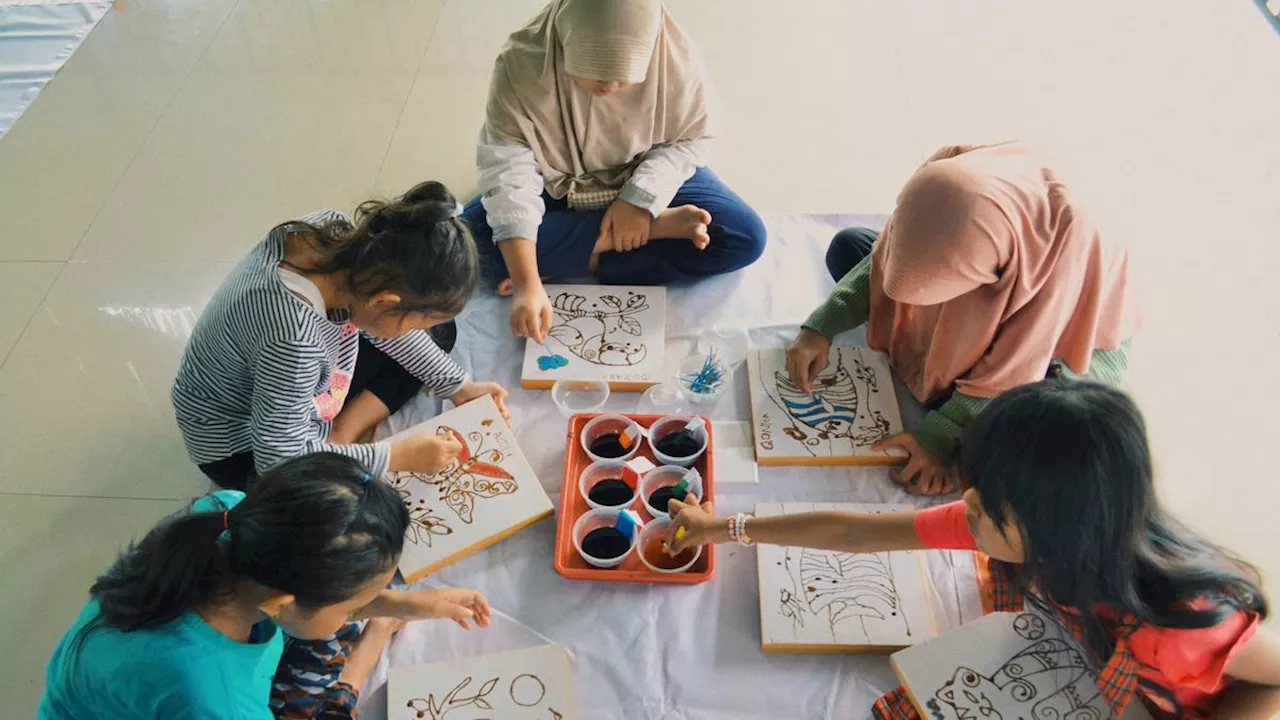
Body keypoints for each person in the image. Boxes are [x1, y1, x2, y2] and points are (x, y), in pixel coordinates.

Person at [666, 380, 1280, 718]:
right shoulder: (1025, 534)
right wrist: (727, 528)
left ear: (1057, 526)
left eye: (986, 512)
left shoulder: (1187, 619)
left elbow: (1272, 685)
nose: (968, 515)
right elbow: (857, 533)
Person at [788, 142, 1138, 494]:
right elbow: (885, 269)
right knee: (849, 246)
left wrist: (937, 435)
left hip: (1046, 347)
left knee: (1035, 437)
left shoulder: (1061, 255)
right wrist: (822, 326)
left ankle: (958, 416)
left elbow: (1014, 371)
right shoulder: (947, 178)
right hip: (975, 276)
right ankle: (946, 389)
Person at [39, 452, 492, 719]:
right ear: (280, 602)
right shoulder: (216, 695)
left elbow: (315, 610)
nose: (374, 602)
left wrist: (412, 606)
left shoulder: (232, 511)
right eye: (359, 599)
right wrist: (364, 658)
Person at [171, 181, 509, 490]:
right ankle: (332, 443)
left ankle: (340, 433)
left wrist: (460, 387)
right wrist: (394, 456)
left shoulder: (335, 235)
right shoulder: (294, 341)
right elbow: (277, 461)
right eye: (414, 322)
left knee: (437, 337)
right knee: (333, 511)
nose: (415, 330)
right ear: (382, 301)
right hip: (240, 448)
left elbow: (387, 329)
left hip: (289, 384)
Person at [464, 0, 767, 341]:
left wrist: (640, 200)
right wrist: (526, 284)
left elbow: (689, 139)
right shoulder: (521, 65)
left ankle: (578, 255)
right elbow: (507, 169)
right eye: (594, 72)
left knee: (744, 237)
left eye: (625, 78)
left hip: (646, 169)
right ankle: (647, 233)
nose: (608, 87)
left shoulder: (672, 56)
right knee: (470, 248)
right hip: (555, 180)